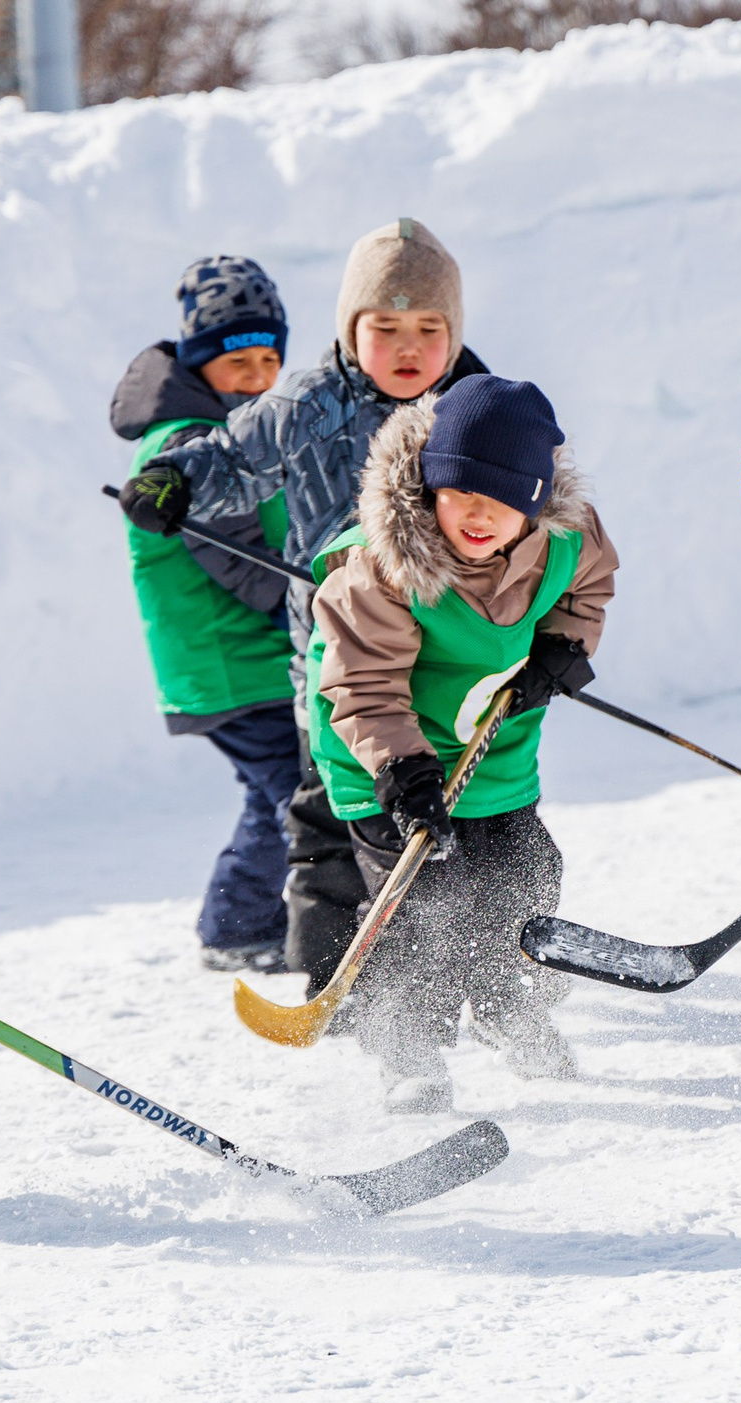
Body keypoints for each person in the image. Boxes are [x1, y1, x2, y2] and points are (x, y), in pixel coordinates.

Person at [119, 219, 490, 994]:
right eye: (383, 327)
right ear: (350, 329)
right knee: (337, 820)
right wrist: (178, 482)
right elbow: (233, 456)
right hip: (336, 658)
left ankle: (491, 967)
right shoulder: (308, 402)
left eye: (429, 328)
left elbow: (537, 506)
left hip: (453, 652)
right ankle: (346, 979)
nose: (407, 346)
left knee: (473, 810)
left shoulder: (474, 407)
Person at [307, 376, 615, 1112]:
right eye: (461, 493)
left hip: (491, 744)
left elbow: (588, 590)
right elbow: (362, 682)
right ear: (427, 484)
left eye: (506, 501)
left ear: (537, 504)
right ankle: (404, 1040)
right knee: (421, 900)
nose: (481, 514)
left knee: (525, 869)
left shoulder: (565, 541)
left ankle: (509, 1002)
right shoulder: (380, 566)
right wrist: (402, 769)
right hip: (385, 753)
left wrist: (563, 649)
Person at [110, 255, 299, 972]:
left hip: (238, 661)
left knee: (275, 794)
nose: (256, 376)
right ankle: (291, 925)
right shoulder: (191, 448)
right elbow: (248, 564)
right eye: (236, 361)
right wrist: (323, 614)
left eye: (268, 358)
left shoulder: (229, 431)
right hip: (235, 663)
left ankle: (240, 925)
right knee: (307, 797)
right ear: (198, 363)